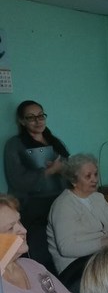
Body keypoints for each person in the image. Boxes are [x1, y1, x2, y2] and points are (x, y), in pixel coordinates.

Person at [3, 100, 69, 267]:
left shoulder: (54, 141)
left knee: (63, 248)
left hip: (60, 204)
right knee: (40, 254)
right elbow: (17, 180)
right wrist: (48, 171)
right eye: (31, 117)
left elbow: (69, 168)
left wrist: (64, 169)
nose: (38, 121)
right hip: (32, 211)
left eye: (41, 116)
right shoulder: (14, 145)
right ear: (22, 121)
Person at [47, 153, 108, 275]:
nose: (95, 179)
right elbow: (66, 248)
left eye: (95, 174)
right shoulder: (63, 205)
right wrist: (105, 242)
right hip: (76, 268)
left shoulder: (98, 197)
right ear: (74, 181)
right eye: (88, 176)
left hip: (101, 258)